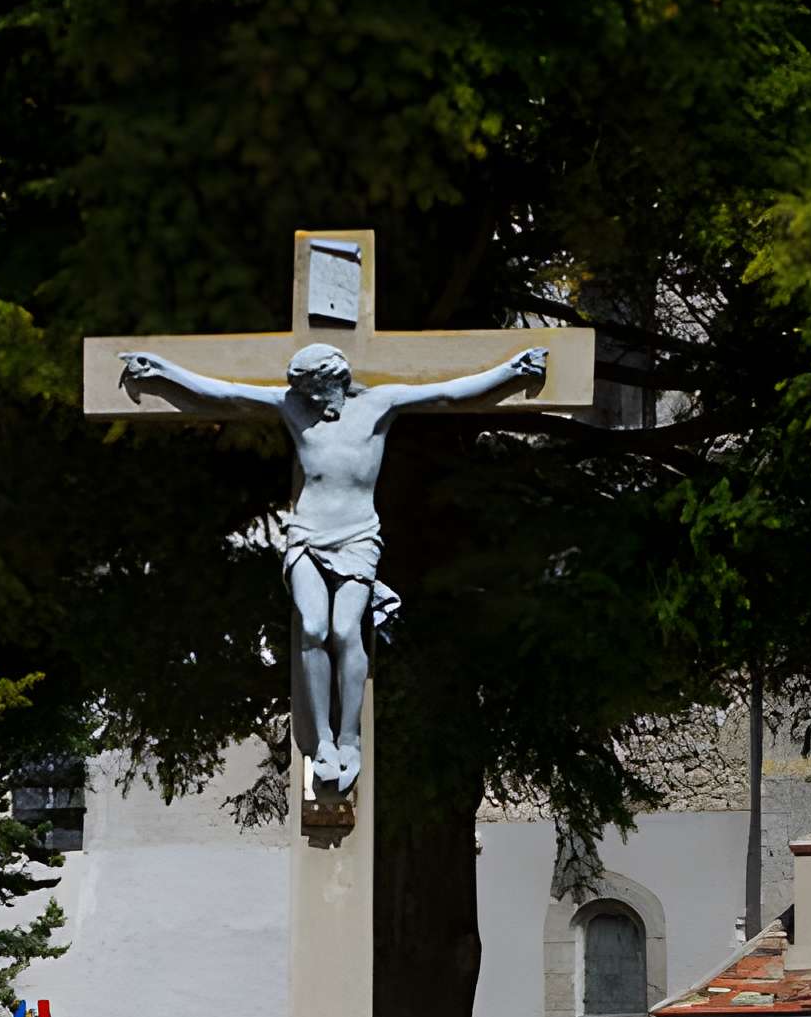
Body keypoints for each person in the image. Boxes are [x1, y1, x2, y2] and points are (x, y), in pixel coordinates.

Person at [116, 340, 549, 794]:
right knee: (313, 628)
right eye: (302, 391)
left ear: (336, 379)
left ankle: (349, 738)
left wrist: (511, 371)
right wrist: (164, 371)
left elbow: (448, 394)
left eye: (313, 389)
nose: (308, 399)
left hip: (358, 535)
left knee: (345, 631)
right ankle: (323, 740)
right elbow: (226, 394)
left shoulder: (380, 404)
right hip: (306, 534)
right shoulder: (292, 406)